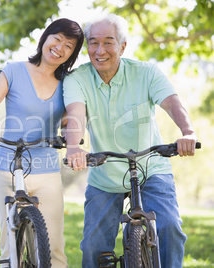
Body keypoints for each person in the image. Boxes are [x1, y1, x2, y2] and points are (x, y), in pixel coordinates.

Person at [63, 13, 198, 267]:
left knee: (170, 228)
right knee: (93, 245)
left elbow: (172, 103)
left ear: (123, 46)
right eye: (93, 42)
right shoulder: (77, 79)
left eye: (108, 42)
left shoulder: (146, 72)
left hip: (151, 169)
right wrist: (73, 147)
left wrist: (187, 132)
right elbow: (76, 114)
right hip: (104, 174)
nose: (99, 50)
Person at [0, 18, 84, 267]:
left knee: (55, 250)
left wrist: (74, 141)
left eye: (69, 46)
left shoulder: (69, 82)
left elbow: (72, 119)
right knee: (10, 247)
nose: (60, 47)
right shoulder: (14, 71)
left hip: (47, 171)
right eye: (57, 39)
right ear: (46, 38)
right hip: (8, 168)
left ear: (72, 54)